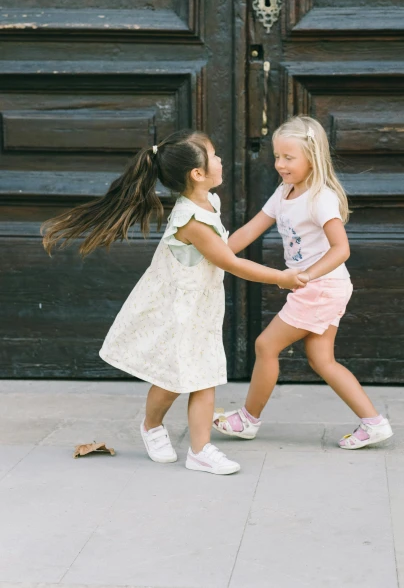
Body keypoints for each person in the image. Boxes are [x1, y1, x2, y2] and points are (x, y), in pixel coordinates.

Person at [41, 130, 305, 475]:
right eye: (214, 155)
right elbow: (230, 262)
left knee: (204, 376)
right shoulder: (191, 220)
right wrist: (281, 277)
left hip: (200, 307)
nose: (221, 160)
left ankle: (199, 451)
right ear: (197, 173)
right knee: (172, 380)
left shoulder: (210, 202)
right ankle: (152, 425)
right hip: (176, 309)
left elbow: (223, 247)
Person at [213, 116, 393, 450]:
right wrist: (218, 254)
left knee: (266, 346)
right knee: (322, 359)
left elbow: (342, 249)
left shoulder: (320, 198)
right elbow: (251, 229)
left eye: (288, 158)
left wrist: (308, 275)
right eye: (277, 156)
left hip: (320, 286)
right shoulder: (285, 192)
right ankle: (374, 423)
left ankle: (248, 419)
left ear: (312, 156)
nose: (279, 164)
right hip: (322, 286)